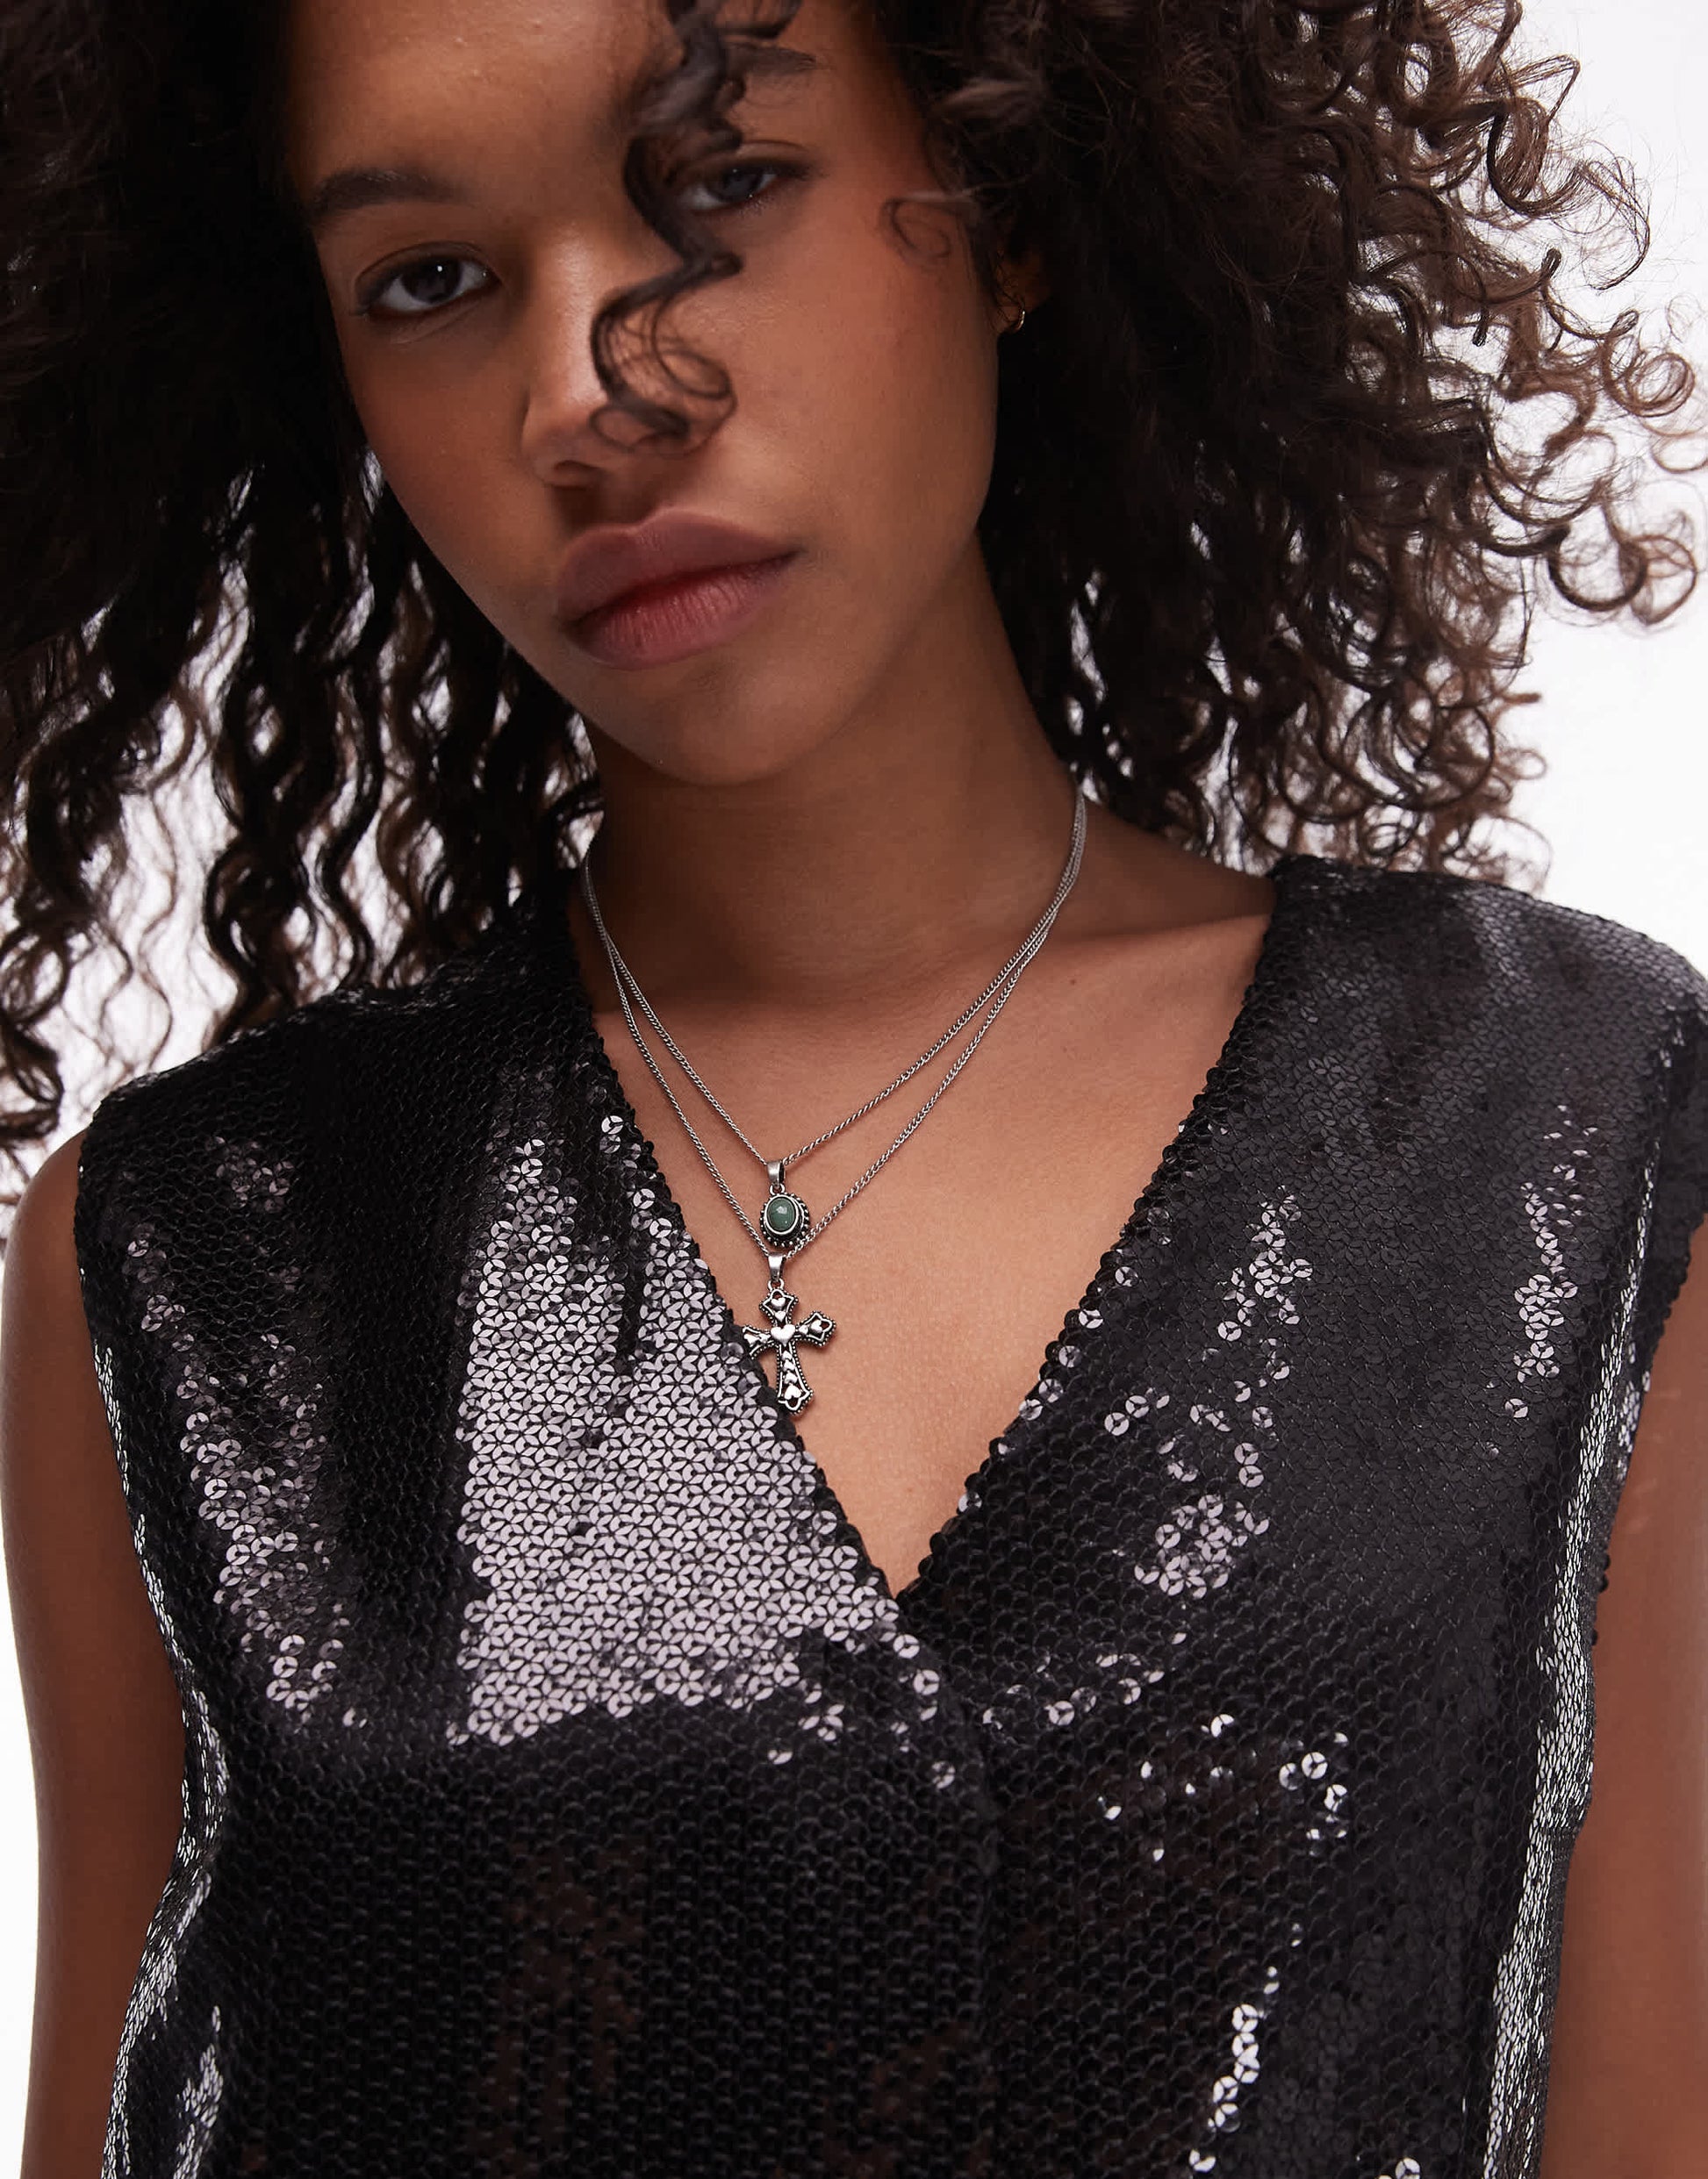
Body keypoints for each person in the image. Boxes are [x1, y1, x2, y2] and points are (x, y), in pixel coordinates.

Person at [1, 0, 1704, 2171]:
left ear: (1006, 194)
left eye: (721, 180)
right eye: (428, 279)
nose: (584, 391)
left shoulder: (1551, 1122)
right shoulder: (191, 1269)